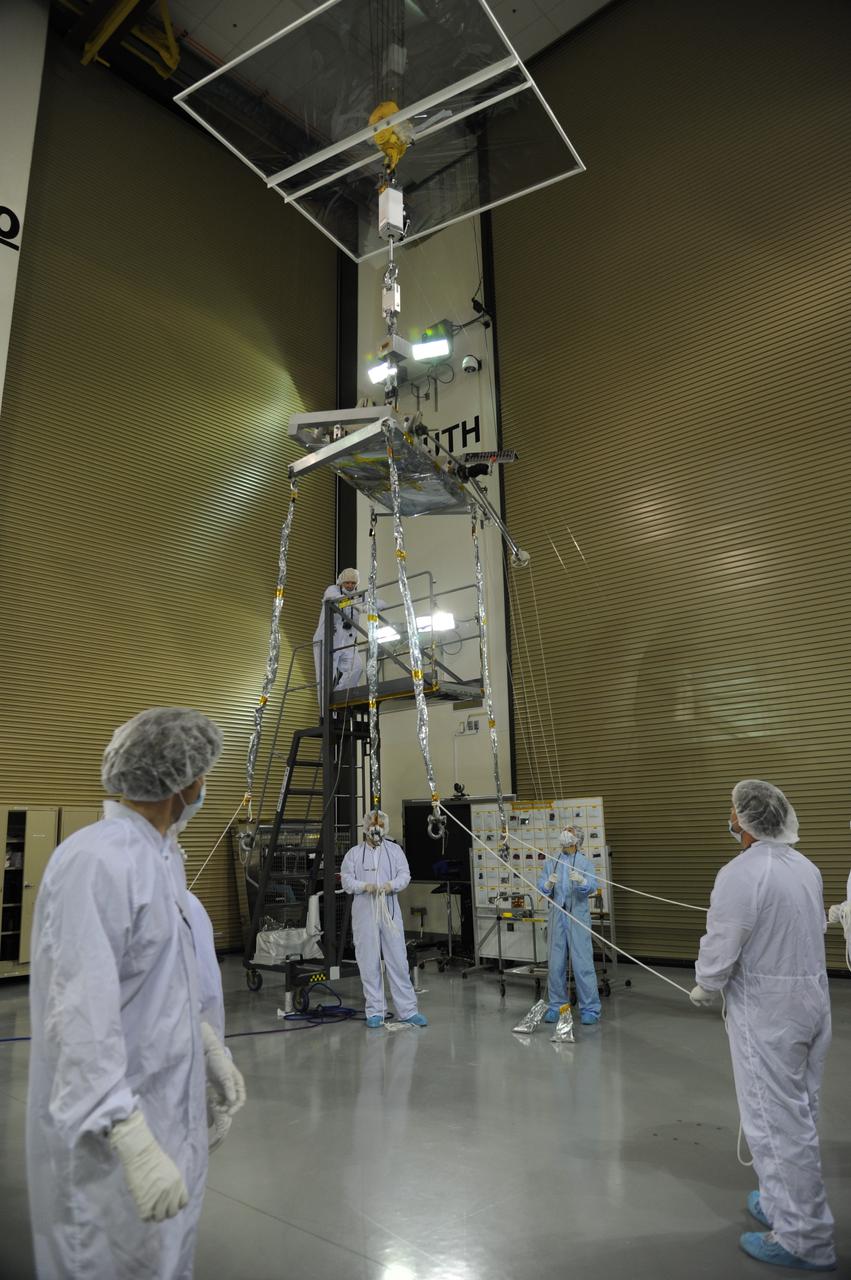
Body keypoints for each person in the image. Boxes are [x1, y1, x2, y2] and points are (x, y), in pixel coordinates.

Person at [26, 707, 246, 1279]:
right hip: (112, 1137)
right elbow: (77, 1014)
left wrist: (207, 1046)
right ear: (185, 781)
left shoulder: (159, 858)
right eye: (204, 773)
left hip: (163, 1108)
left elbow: (159, 980)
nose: (204, 784)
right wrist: (127, 1133)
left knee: (165, 1258)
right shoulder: (97, 862)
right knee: (111, 1260)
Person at [691, 779, 835, 1272]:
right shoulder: (806, 867)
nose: (729, 815)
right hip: (813, 1001)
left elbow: (724, 940)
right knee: (801, 1110)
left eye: (732, 809)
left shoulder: (740, 873)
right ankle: (779, 1203)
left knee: (776, 1122)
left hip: (769, 1011)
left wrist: (706, 983)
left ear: (746, 821)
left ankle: (805, 1238)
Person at [340, 809, 428, 1029]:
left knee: (398, 960)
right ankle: (375, 1011)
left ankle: (408, 1011)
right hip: (364, 911)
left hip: (389, 910)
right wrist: (364, 886)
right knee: (368, 962)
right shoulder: (353, 854)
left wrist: (391, 885)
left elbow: (405, 875)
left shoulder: (394, 851)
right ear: (365, 828)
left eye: (379, 825)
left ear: (384, 827)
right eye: (371, 825)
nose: (375, 829)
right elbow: (346, 881)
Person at [538, 826, 601, 1026]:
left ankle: (590, 1009)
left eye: (570, 831)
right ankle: (557, 1006)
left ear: (577, 838)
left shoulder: (584, 863)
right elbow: (542, 888)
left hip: (577, 918)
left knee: (582, 963)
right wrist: (547, 885)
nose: (565, 833)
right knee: (556, 963)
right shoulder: (552, 862)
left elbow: (592, 885)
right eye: (564, 830)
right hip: (557, 916)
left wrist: (582, 881)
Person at [313, 568, 364, 707]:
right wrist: (357, 603)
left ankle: (339, 695)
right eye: (346, 582)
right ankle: (325, 712)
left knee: (357, 667)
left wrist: (373, 605)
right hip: (327, 641)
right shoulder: (333, 590)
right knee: (326, 677)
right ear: (341, 582)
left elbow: (373, 604)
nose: (349, 586)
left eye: (352, 583)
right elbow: (334, 599)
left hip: (346, 641)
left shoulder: (358, 597)